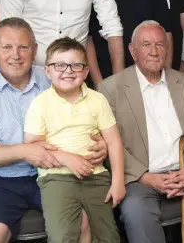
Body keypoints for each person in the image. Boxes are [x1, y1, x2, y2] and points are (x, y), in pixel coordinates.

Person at [0, 18, 108, 243]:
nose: (15, 55)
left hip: (54, 174)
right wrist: (27, 151)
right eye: (7, 47)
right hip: (1, 180)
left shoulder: (53, 78)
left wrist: (101, 144)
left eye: (23, 47)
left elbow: (86, 117)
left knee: (82, 222)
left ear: (35, 50)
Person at [97, 20, 184, 243]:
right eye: (146, 44)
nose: (154, 50)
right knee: (135, 211)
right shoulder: (111, 89)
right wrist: (146, 177)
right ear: (133, 51)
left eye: (160, 44)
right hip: (141, 177)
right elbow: (112, 143)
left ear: (167, 49)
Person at [23, 38, 124, 243]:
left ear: (86, 71)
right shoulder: (40, 103)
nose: (68, 70)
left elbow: (113, 142)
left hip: (96, 177)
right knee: (62, 236)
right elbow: (32, 148)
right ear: (47, 71)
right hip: (56, 179)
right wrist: (66, 158)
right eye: (59, 65)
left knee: (108, 236)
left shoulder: (98, 99)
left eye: (76, 65)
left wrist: (118, 182)